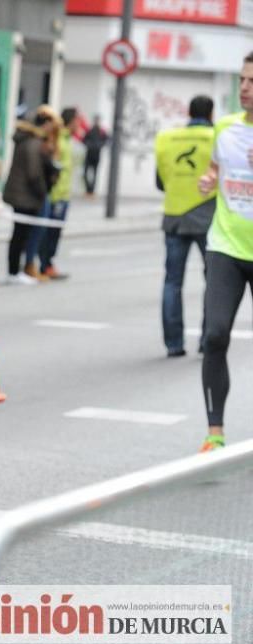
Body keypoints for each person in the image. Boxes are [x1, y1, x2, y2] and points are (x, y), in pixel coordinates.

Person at [196, 52, 253, 452]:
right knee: (214, 335)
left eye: (252, 81)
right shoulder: (225, 128)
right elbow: (217, 169)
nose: (245, 88)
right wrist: (208, 179)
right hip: (225, 245)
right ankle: (214, 432)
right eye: (242, 80)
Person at [155, 95, 215, 358]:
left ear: (189, 112)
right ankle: (207, 340)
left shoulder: (167, 139)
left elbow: (160, 182)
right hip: (208, 215)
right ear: (211, 114)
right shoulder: (216, 137)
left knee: (172, 282)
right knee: (213, 281)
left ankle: (173, 344)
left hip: (174, 216)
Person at [4, 109, 55, 285]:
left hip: (21, 194)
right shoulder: (33, 144)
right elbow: (34, 174)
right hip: (25, 196)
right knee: (21, 234)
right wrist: (42, 192)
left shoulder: (27, 141)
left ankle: (15, 271)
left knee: (20, 233)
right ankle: (15, 271)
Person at [38, 106, 77, 281]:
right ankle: (44, 264)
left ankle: (47, 263)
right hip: (57, 194)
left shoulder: (68, 140)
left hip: (64, 193)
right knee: (50, 232)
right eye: (77, 120)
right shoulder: (59, 140)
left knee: (56, 232)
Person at [83, 115, 107, 196]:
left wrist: (99, 145)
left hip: (96, 155)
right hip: (89, 155)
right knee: (85, 173)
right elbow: (84, 139)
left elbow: (107, 140)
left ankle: (92, 191)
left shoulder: (102, 131)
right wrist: (88, 144)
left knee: (95, 174)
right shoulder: (90, 130)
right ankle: (88, 190)